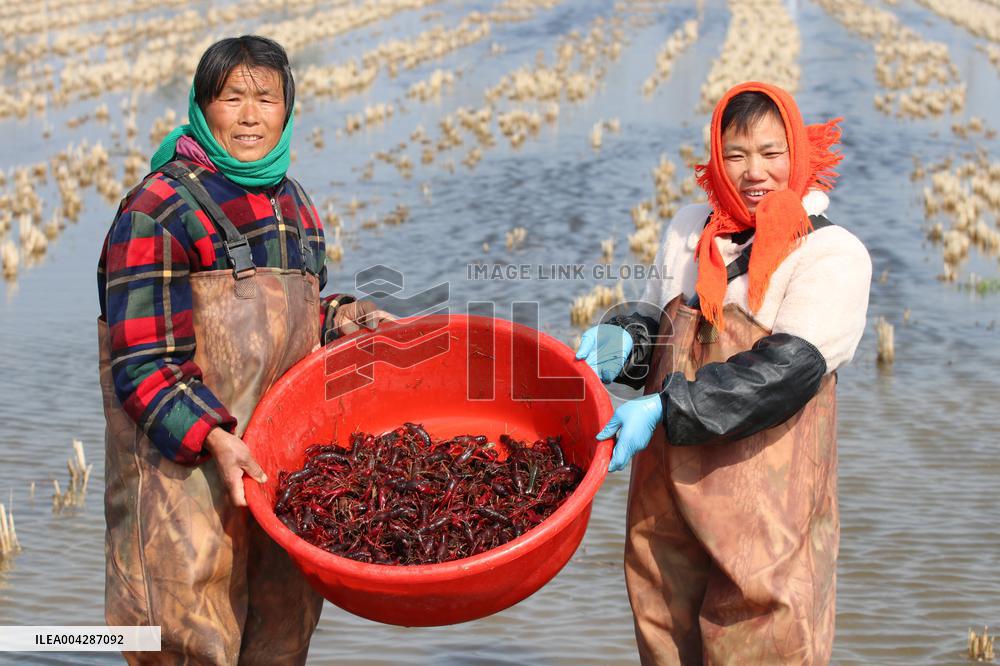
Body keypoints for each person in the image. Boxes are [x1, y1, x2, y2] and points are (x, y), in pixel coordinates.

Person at [97, 35, 390, 664]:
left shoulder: (294, 203)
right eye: (232, 98)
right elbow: (142, 360)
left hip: (280, 473)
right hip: (188, 478)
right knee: (186, 642)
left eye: (267, 98)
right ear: (204, 108)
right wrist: (215, 438)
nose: (251, 115)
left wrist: (348, 319)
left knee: (281, 639)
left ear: (290, 111)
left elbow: (297, 315)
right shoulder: (159, 209)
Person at [576, 81, 871, 664]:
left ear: (798, 154)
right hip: (667, 500)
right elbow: (662, 330)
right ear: (716, 157)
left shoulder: (830, 255)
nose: (754, 172)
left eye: (771, 153)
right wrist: (627, 340)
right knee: (663, 631)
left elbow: (783, 373)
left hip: (764, 510)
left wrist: (665, 407)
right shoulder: (691, 229)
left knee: (760, 637)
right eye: (736, 155)